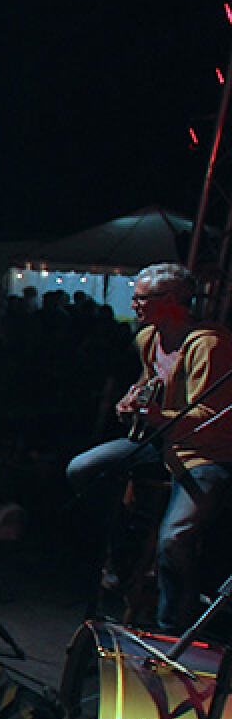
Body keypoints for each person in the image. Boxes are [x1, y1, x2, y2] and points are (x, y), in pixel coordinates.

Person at [66, 262, 232, 631]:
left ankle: (173, 628)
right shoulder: (148, 338)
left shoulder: (209, 345)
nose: (134, 304)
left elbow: (212, 417)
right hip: (160, 443)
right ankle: (117, 555)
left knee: (175, 540)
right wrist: (132, 401)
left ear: (171, 300)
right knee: (83, 469)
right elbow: (150, 382)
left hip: (204, 454)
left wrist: (158, 415)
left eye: (141, 298)